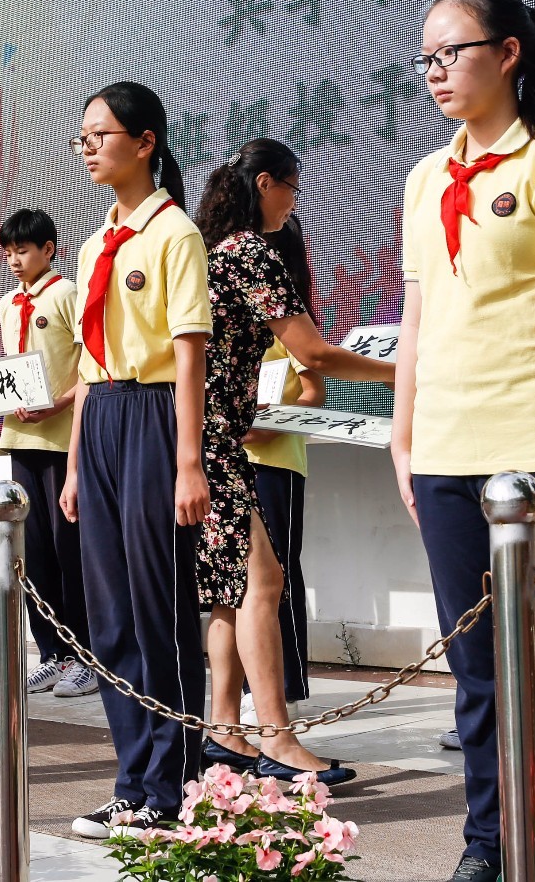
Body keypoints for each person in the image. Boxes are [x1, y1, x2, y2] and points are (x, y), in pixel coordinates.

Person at [390, 0, 535, 882]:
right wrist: (403, 441)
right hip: (445, 451)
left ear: (509, 53)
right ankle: (487, 846)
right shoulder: (422, 177)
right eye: (427, 58)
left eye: (454, 52)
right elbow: (414, 320)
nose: (436, 71)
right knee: (476, 676)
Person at [191, 139, 394, 787]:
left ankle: (224, 729)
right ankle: (277, 738)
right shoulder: (252, 251)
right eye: (293, 190)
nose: (294, 203)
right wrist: (405, 371)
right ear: (267, 184)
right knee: (263, 580)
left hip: (209, 436)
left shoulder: (216, 251)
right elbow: (315, 354)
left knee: (233, 587)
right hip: (212, 440)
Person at [60, 82, 211, 840]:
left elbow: (189, 358)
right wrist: (76, 464)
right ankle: (133, 782)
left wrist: (189, 463)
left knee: (160, 611)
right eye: (81, 137)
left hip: (156, 418)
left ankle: (174, 786)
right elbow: (91, 364)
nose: (88, 147)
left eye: (101, 134)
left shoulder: (174, 234)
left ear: (145, 142)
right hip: (105, 418)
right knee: (111, 615)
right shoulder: (95, 244)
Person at [0, 209, 95, 698]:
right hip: (22, 443)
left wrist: (57, 403)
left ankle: (85, 656)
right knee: (33, 556)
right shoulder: (8, 303)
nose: (15, 260)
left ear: (49, 248)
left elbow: (88, 367)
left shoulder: (66, 294)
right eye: (8, 252)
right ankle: (52, 654)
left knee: (71, 553)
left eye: (23, 250)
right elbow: (11, 372)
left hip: (65, 442)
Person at [240, 219, 325, 725]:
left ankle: (287, 683)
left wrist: (270, 426)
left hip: (278, 463)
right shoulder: (232, 324)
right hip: (234, 463)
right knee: (244, 580)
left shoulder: (295, 325)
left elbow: (314, 392)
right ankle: (256, 682)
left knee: (280, 573)